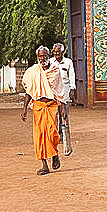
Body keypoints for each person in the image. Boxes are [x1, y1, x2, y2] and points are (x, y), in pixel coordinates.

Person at [20, 46, 64, 175]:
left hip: (51, 106)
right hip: (38, 107)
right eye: (40, 56)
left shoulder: (55, 70)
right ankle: (44, 165)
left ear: (49, 55)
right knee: (40, 137)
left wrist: (63, 109)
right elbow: (29, 92)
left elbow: (59, 91)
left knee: (52, 133)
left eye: (44, 55)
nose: (42, 58)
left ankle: (54, 154)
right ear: (37, 57)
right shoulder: (33, 71)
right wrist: (24, 109)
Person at [52, 43, 75, 156]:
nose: (56, 53)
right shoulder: (51, 62)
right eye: (54, 52)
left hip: (65, 93)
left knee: (64, 115)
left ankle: (65, 136)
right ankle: (56, 134)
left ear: (62, 52)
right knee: (54, 114)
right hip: (54, 93)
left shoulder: (68, 62)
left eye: (58, 51)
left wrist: (72, 89)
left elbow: (71, 76)